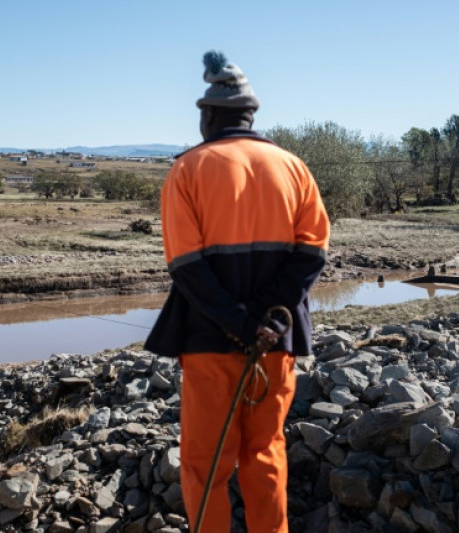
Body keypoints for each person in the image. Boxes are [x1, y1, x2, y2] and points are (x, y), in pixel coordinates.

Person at [145, 51, 330, 533]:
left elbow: (187, 267)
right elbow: (313, 253)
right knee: (264, 452)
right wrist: (267, 322)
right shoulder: (294, 167)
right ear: (251, 115)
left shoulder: (188, 169)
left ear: (208, 115)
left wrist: (239, 325)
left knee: (204, 463)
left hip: (210, 343)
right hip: (275, 342)